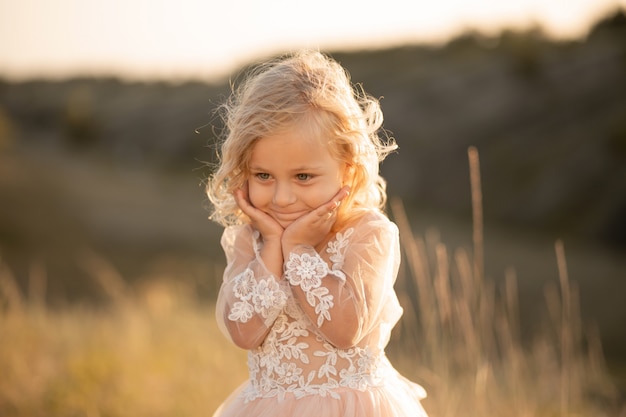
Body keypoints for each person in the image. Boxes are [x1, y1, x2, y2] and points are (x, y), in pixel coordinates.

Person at [206, 50, 428, 417]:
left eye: (303, 177)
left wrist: (297, 248)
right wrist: (273, 247)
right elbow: (243, 333)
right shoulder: (250, 239)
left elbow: (345, 330)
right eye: (263, 176)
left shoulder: (367, 234)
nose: (281, 198)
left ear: (347, 169)